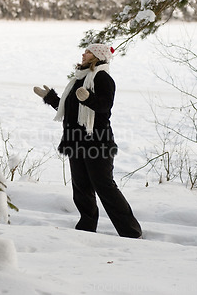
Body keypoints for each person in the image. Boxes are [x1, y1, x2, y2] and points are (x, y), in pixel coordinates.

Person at [33, 44, 142, 239]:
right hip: (75, 142)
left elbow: (104, 107)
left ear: (98, 56)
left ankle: (131, 232)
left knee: (105, 187)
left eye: (88, 52)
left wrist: (89, 98)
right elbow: (69, 108)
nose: (83, 53)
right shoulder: (79, 79)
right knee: (81, 189)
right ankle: (86, 229)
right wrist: (50, 98)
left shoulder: (103, 78)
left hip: (97, 143)